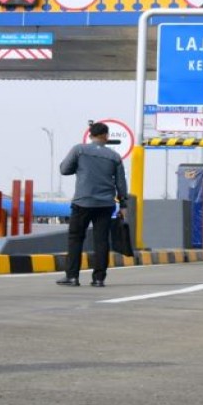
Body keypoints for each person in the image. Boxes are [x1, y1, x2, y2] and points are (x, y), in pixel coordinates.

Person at [57, 121, 129, 287]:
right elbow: (121, 183)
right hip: (105, 204)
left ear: (90, 135)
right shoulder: (114, 156)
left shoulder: (79, 150)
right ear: (106, 136)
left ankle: (72, 277)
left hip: (82, 202)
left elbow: (64, 170)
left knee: (75, 239)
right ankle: (98, 279)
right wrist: (123, 204)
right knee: (101, 241)